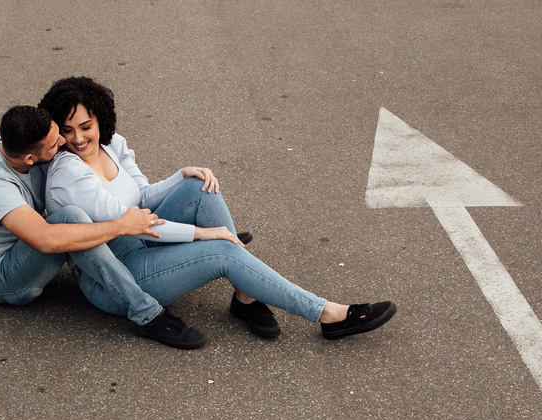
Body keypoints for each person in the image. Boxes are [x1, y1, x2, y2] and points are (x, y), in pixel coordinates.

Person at [39, 76, 396, 342]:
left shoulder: (112, 144)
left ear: (100, 118)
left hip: (143, 238)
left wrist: (182, 175)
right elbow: (134, 223)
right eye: (67, 131)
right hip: (114, 277)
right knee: (222, 249)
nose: (78, 138)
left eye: (86, 126)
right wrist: (203, 233)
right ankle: (327, 313)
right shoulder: (69, 173)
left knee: (198, 187)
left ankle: (246, 293)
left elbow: (143, 197)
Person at [0, 105, 207, 348]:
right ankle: (146, 314)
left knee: (75, 213)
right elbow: (46, 239)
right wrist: (121, 226)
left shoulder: (21, 142)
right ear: (30, 158)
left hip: (23, 248)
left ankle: (194, 243)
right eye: (55, 144)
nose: (63, 142)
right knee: (71, 218)